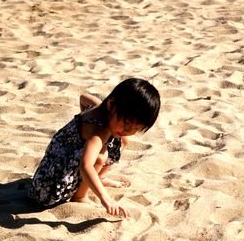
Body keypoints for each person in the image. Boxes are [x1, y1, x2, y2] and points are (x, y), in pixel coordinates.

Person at [29, 78, 161, 218]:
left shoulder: (98, 107)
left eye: (136, 129)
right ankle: (80, 196)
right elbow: (86, 166)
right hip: (49, 190)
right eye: (127, 124)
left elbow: (83, 98)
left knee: (122, 141)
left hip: (48, 170)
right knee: (99, 157)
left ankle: (99, 178)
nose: (128, 131)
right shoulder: (99, 131)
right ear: (111, 104)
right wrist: (106, 199)